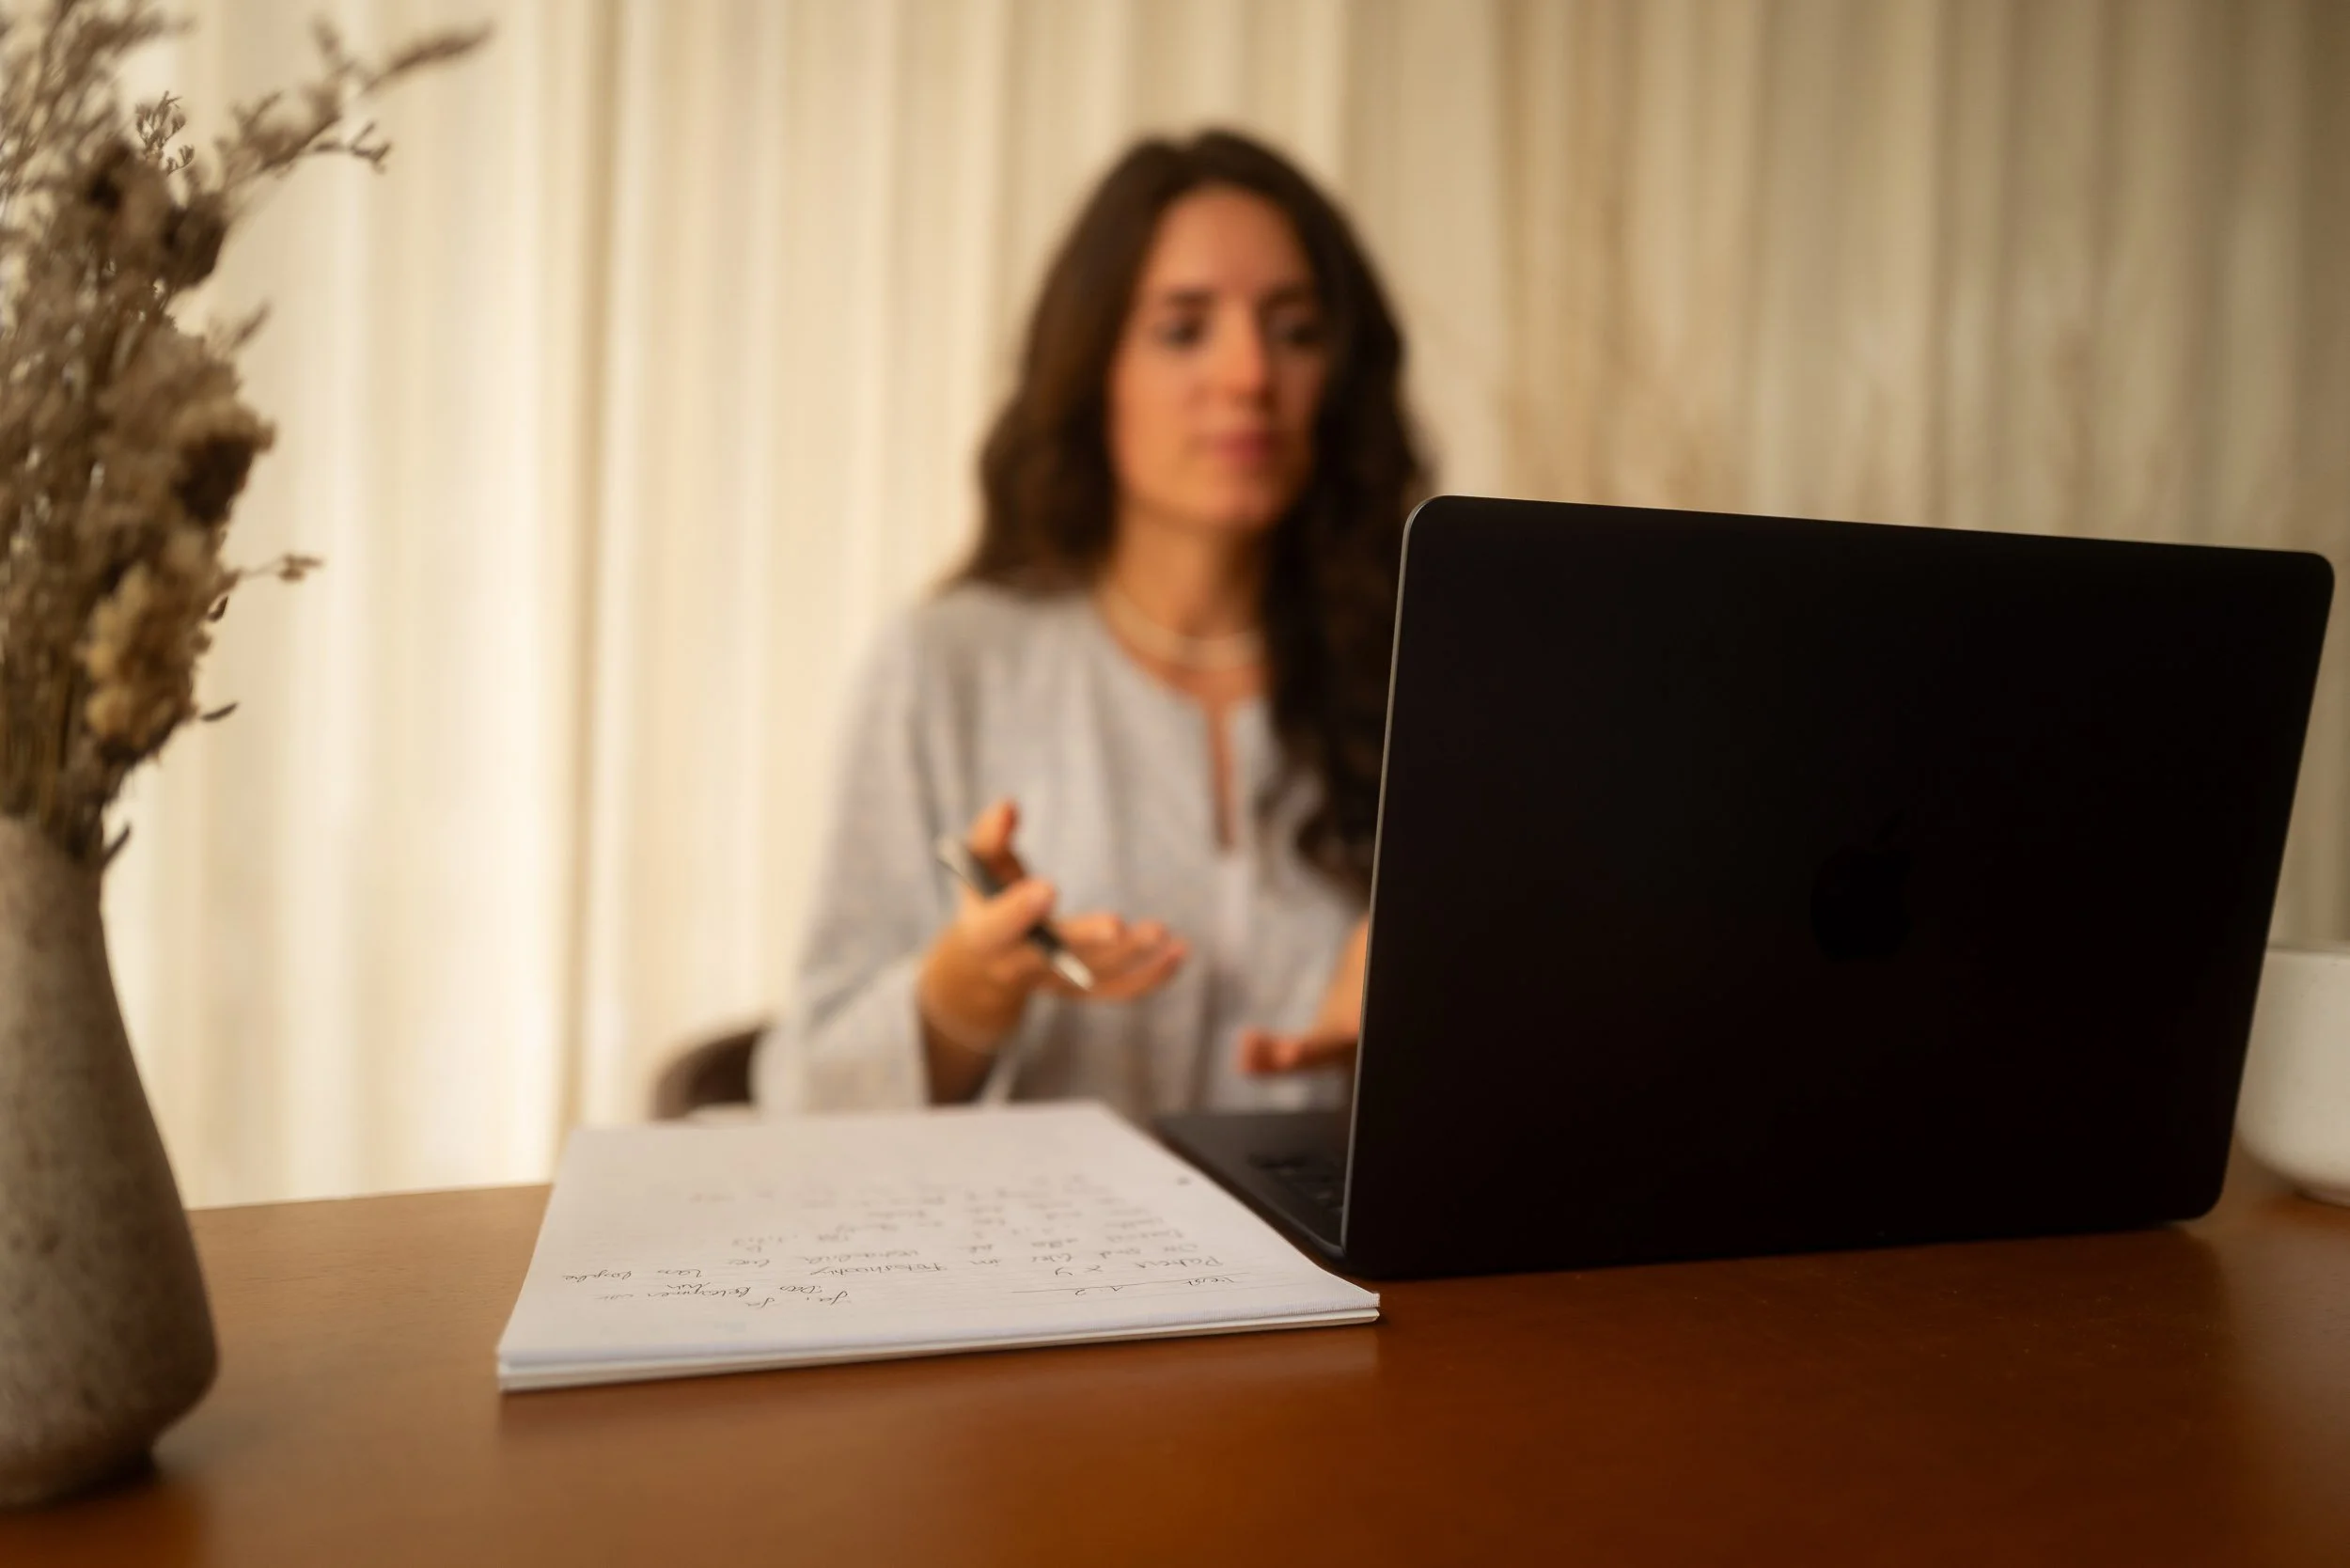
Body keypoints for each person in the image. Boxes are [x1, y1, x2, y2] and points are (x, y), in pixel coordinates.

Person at [754, 128, 1426, 1121]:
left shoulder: (1428, 675)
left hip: (1351, 1269)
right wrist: (967, 992)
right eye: (1184, 328)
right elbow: (802, 1097)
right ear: (1092, 369)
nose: (1248, 375)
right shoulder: (949, 668)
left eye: (1294, 330)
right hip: (1027, 1262)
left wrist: (1420, 1025)